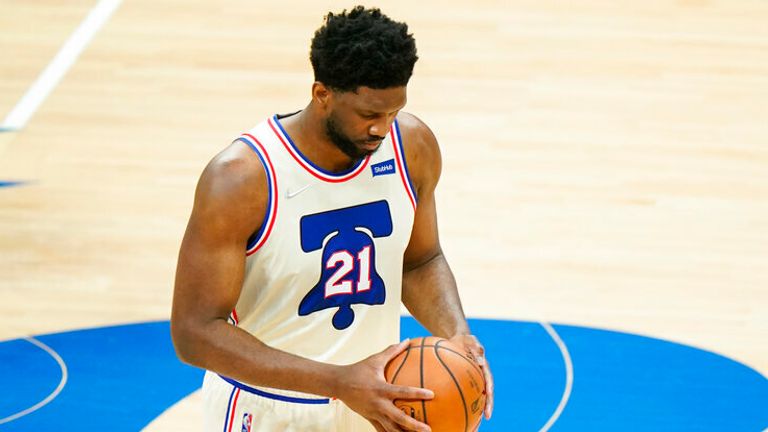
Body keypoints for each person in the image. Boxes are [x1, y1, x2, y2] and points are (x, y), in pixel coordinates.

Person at [171, 6, 494, 432]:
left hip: (377, 402)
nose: (382, 129)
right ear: (322, 93)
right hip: (268, 410)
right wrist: (339, 382)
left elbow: (419, 261)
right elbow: (194, 332)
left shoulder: (412, 147)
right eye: (368, 115)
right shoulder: (242, 179)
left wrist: (458, 337)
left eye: (393, 112)